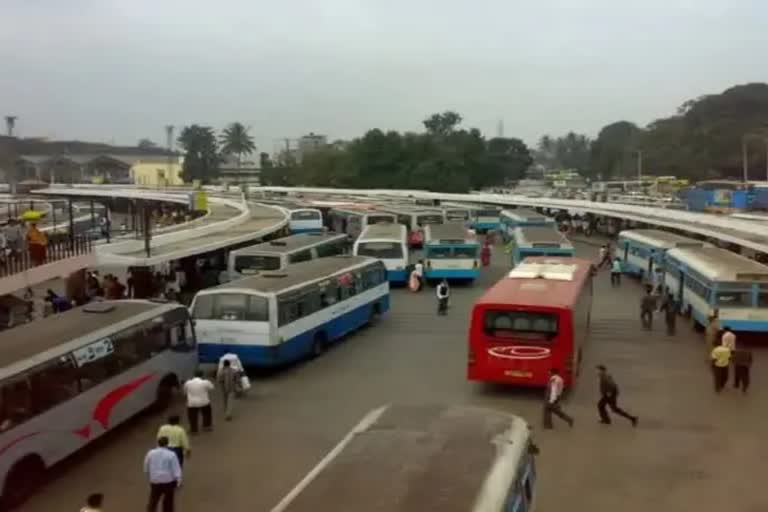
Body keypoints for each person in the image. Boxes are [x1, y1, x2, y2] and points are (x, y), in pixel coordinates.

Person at [144, 437, 181, 512]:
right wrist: (178, 480)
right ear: (167, 444)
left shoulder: (150, 453)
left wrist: (148, 473)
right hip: (168, 481)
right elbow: (176, 469)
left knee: (153, 499)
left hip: (155, 480)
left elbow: (146, 465)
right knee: (168, 500)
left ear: (157, 443)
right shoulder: (171, 454)